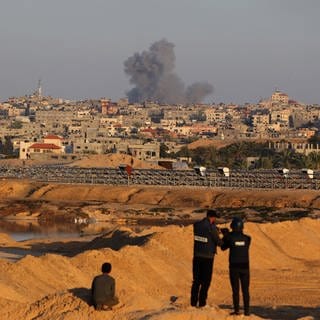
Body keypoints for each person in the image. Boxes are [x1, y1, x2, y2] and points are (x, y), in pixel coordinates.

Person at [191, 209, 222, 307]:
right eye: (214, 218)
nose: (215, 220)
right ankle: (202, 303)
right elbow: (219, 242)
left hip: (197, 256)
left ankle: (193, 303)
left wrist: (216, 229)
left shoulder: (197, 225)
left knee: (196, 281)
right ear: (211, 217)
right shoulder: (211, 227)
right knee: (206, 282)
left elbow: (204, 231)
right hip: (208, 258)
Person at [221, 217, 251, 316]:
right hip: (245, 267)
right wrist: (228, 235)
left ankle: (237, 310)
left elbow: (223, 247)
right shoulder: (248, 238)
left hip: (234, 267)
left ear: (232, 227)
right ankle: (247, 311)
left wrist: (225, 235)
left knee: (235, 290)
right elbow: (239, 241)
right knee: (245, 290)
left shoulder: (230, 237)